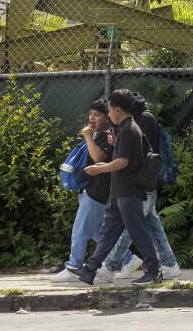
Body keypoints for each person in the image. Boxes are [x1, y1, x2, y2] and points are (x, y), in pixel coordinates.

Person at [68, 89, 161, 287]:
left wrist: (100, 170)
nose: (108, 115)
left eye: (109, 111)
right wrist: (102, 166)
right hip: (119, 191)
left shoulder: (129, 129)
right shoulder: (124, 128)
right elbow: (119, 160)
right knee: (108, 232)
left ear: (117, 110)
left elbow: (123, 162)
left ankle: (154, 271)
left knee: (138, 231)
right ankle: (90, 269)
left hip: (128, 191)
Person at [101, 93, 181, 280]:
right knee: (151, 223)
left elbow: (138, 153)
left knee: (132, 225)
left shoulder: (142, 119)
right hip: (141, 181)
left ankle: (110, 266)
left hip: (142, 182)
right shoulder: (138, 120)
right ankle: (169, 264)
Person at [52, 99, 134, 282]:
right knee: (97, 231)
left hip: (97, 191)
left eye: (97, 114)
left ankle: (73, 266)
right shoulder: (102, 135)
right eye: (91, 114)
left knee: (80, 230)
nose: (92, 118)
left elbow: (98, 157)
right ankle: (128, 257)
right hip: (91, 189)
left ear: (109, 117)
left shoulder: (108, 135)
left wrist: (88, 137)